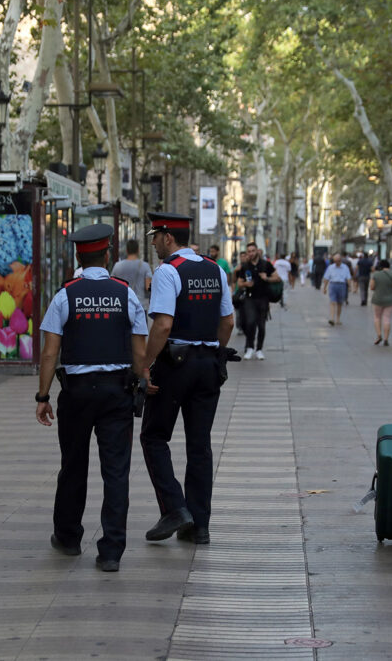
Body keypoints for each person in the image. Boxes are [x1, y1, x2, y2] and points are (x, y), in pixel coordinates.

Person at [36, 224, 148, 573]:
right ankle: (111, 550)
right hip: (117, 393)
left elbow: (50, 352)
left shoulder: (65, 295)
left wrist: (42, 396)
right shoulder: (125, 294)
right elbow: (139, 348)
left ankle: (68, 538)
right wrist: (141, 381)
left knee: (73, 465)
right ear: (108, 254)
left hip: (77, 393)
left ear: (78, 256)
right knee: (116, 471)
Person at [141, 211, 235, 546]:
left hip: (174, 365)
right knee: (200, 445)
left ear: (168, 238)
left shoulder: (168, 271)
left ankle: (175, 508)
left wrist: (145, 364)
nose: (152, 244)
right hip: (208, 365)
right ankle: (200, 526)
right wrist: (215, 354)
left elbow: (163, 325)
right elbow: (227, 320)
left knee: (153, 436)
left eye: (155, 237)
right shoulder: (214, 268)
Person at [237, 242, 280, 359]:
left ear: (257, 251)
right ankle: (250, 347)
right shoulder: (245, 266)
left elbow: (277, 277)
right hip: (249, 299)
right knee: (250, 323)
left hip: (263, 299)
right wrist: (246, 283)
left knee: (261, 325)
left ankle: (259, 349)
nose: (251, 253)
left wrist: (267, 278)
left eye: (253, 251)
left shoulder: (266, 265)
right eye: (249, 251)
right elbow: (239, 283)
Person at [369, 258, 392, 346]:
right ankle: (386, 339)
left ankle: (379, 335)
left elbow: (372, 287)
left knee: (377, 317)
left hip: (377, 299)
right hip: (390, 300)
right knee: (386, 318)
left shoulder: (376, 275)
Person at [111, 239, 153, 307]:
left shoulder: (117, 266)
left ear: (127, 250)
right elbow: (148, 287)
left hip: (122, 305)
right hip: (139, 305)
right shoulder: (145, 266)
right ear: (138, 250)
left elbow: (112, 286)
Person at [322, 253, 353, 326]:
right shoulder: (330, 267)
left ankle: (338, 319)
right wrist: (324, 288)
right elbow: (326, 278)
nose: (336, 262)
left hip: (342, 285)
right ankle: (332, 319)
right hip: (333, 284)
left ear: (340, 260)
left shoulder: (345, 267)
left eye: (338, 261)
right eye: (335, 261)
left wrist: (349, 286)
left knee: (339, 303)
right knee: (332, 302)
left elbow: (348, 278)